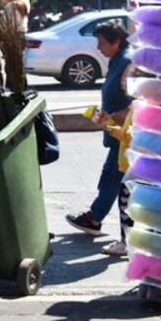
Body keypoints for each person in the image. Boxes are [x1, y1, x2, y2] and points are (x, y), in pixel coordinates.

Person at [66, 19, 133, 251]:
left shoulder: (127, 61)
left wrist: (112, 118)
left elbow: (136, 102)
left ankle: (103, 223)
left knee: (118, 182)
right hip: (118, 135)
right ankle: (95, 218)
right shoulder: (118, 59)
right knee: (112, 179)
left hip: (126, 136)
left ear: (117, 42)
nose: (98, 47)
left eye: (102, 42)